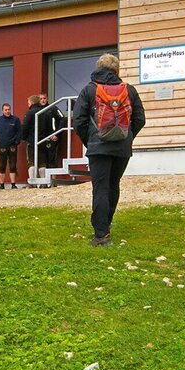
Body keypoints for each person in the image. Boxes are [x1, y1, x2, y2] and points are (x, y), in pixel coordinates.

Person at [74, 53, 146, 246]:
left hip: (98, 148)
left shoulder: (89, 90)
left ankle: (101, 235)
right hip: (122, 148)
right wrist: (127, 138)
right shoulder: (129, 90)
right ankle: (106, 225)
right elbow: (140, 119)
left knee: (101, 188)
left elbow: (78, 122)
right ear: (116, 70)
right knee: (113, 186)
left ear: (98, 67)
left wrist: (90, 141)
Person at [0, 103, 22, 190]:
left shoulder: (15, 120)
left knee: (13, 165)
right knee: (2, 165)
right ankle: (1, 185)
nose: (7, 111)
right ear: (2, 111)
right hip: (2, 146)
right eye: (6, 110)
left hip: (12, 146)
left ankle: (13, 184)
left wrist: (16, 141)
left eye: (9, 109)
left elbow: (20, 131)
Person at [22, 95, 50, 187]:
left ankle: (32, 183)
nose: (28, 104)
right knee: (42, 162)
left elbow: (25, 127)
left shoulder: (30, 113)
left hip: (31, 141)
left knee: (31, 161)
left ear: (32, 102)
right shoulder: (44, 112)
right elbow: (47, 127)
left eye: (28, 102)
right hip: (42, 140)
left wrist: (23, 137)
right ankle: (44, 183)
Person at [39, 93, 65, 167]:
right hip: (41, 139)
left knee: (52, 160)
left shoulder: (53, 108)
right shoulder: (37, 111)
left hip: (52, 138)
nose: (43, 100)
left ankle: (53, 178)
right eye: (41, 99)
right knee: (42, 162)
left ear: (47, 99)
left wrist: (56, 134)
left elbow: (62, 119)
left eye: (44, 98)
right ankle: (44, 178)